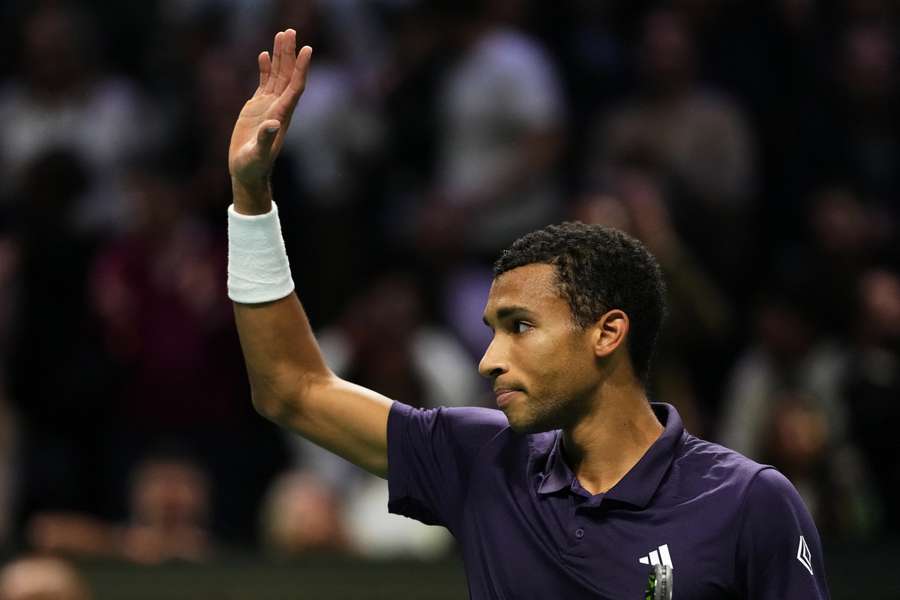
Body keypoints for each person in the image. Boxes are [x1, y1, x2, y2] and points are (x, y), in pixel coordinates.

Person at [226, 29, 831, 599]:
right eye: (493, 331)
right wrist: (251, 198)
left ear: (608, 333)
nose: (489, 360)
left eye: (520, 327)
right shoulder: (480, 460)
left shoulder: (750, 503)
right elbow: (292, 388)